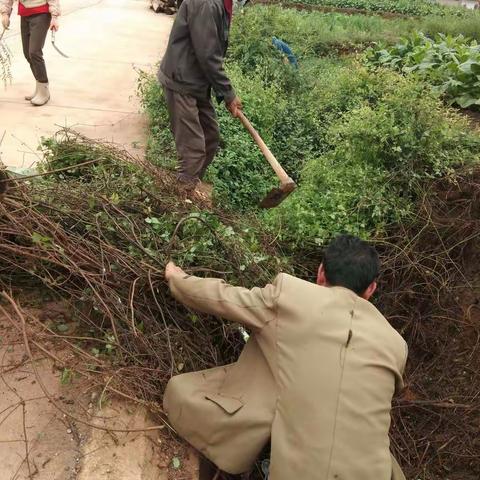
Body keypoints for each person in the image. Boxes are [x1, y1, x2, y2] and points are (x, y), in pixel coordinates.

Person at [163, 234, 408, 480]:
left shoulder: (291, 297)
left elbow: (222, 298)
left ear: (321, 272)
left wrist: (178, 278)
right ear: (371, 289)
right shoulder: (395, 344)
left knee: (273, 356)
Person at [157, 0, 243, 191]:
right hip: (181, 81)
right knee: (193, 151)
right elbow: (209, 55)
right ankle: (179, 201)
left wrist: (225, 94)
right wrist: (228, 94)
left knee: (210, 138)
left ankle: (189, 184)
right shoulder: (206, 4)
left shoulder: (221, 4)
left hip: (196, 81)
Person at [0, 0, 60, 106]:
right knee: (27, 53)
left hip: (41, 13)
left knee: (34, 52)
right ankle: (39, 88)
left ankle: (44, 91)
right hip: (25, 14)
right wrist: (5, 13)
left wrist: (54, 17)